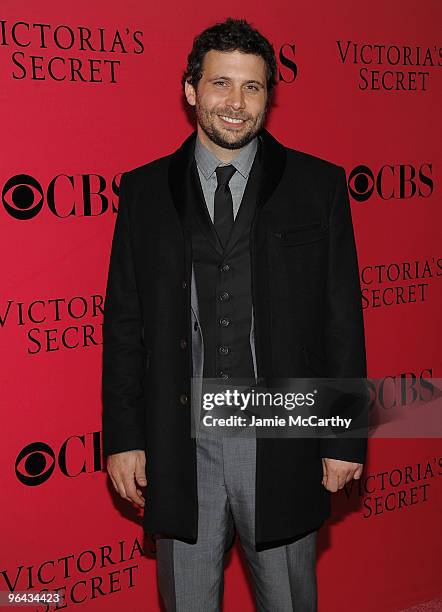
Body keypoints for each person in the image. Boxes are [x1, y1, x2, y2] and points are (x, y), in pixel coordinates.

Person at [102, 17, 368, 612]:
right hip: (178, 442)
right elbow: (124, 322)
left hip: (280, 434)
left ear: (269, 96)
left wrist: (345, 438)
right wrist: (124, 437)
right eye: (221, 83)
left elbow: (341, 318)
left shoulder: (316, 185)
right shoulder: (143, 192)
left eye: (252, 87)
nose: (236, 103)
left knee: (289, 600)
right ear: (191, 89)